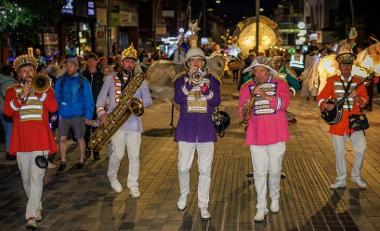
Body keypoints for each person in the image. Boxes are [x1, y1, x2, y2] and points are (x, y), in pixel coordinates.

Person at [2, 55, 58, 229]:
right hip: (22, 142)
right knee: (26, 179)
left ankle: (31, 215)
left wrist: (38, 93)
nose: (27, 73)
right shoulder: (12, 90)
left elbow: (54, 108)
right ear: (18, 73)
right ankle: (36, 205)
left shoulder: (45, 88)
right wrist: (21, 97)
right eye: (24, 70)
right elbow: (7, 112)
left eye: (30, 70)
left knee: (37, 178)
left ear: (35, 72)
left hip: (40, 141)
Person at [173, 35, 221, 220]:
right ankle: (184, 194)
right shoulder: (180, 81)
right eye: (193, 61)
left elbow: (216, 100)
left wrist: (203, 88)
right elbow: (178, 99)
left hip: (207, 131)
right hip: (185, 130)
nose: (196, 64)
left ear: (204, 63)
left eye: (199, 61)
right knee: (183, 168)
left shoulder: (213, 80)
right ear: (187, 64)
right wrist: (190, 83)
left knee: (205, 170)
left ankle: (203, 204)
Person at [238, 56, 290, 222]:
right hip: (256, 134)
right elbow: (241, 111)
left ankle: (275, 197)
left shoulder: (281, 84)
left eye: (262, 70)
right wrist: (249, 103)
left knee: (275, 171)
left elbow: (284, 104)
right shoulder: (246, 87)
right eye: (256, 70)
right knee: (259, 173)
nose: (258, 74)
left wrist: (265, 95)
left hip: (277, 133)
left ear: (268, 71)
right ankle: (261, 207)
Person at [96, 44, 152, 197]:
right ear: (121, 62)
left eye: (132, 62)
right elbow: (100, 102)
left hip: (134, 123)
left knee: (134, 156)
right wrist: (102, 114)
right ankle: (112, 176)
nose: (130, 64)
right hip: (116, 124)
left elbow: (148, 100)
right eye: (127, 61)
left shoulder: (140, 80)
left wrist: (137, 103)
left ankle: (133, 184)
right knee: (119, 154)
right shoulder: (110, 79)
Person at [316, 51, 369, 189]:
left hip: (354, 122)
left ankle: (356, 176)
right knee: (339, 152)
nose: (346, 68)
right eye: (343, 66)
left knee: (361, 149)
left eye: (349, 66)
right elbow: (320, 97)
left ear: (352, 67)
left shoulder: (359, 81)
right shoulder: (332, 80)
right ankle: (341, 179)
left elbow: (365, 102)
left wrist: (357, 98)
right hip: (338, 122)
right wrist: (325, 105)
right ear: (339, 67)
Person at [54, 58, 94, 172]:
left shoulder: (83, 81)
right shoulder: (60, 80)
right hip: (63, 114)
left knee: (80, 138)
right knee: (62, 139)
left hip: (78, 115)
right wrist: (56, 112)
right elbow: (56, 97)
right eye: (67, 65)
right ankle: (63, 162)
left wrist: (88, 116)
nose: (68, 68)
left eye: (71, 66)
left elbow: (89, 99)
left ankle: (81, 160)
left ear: (76, 67)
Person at [82, 53, 104, 161]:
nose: (90, 63)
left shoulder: (101, 75)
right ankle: (87, 148)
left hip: (97, 107)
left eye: (92, 60)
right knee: (85, 130)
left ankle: (96, 150)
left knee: (97, 130)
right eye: (89, 60)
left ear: (96, 61)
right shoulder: (82, 76)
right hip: (85, 108)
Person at [0, 64, 17, 159]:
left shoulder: (1, 80)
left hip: (0, 109)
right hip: (6, 109)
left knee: (7, 130)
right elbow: (10, 97)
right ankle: (10, 153)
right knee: (10, 131)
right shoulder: (9, 82)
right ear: (10, 72)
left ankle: (10, 151)